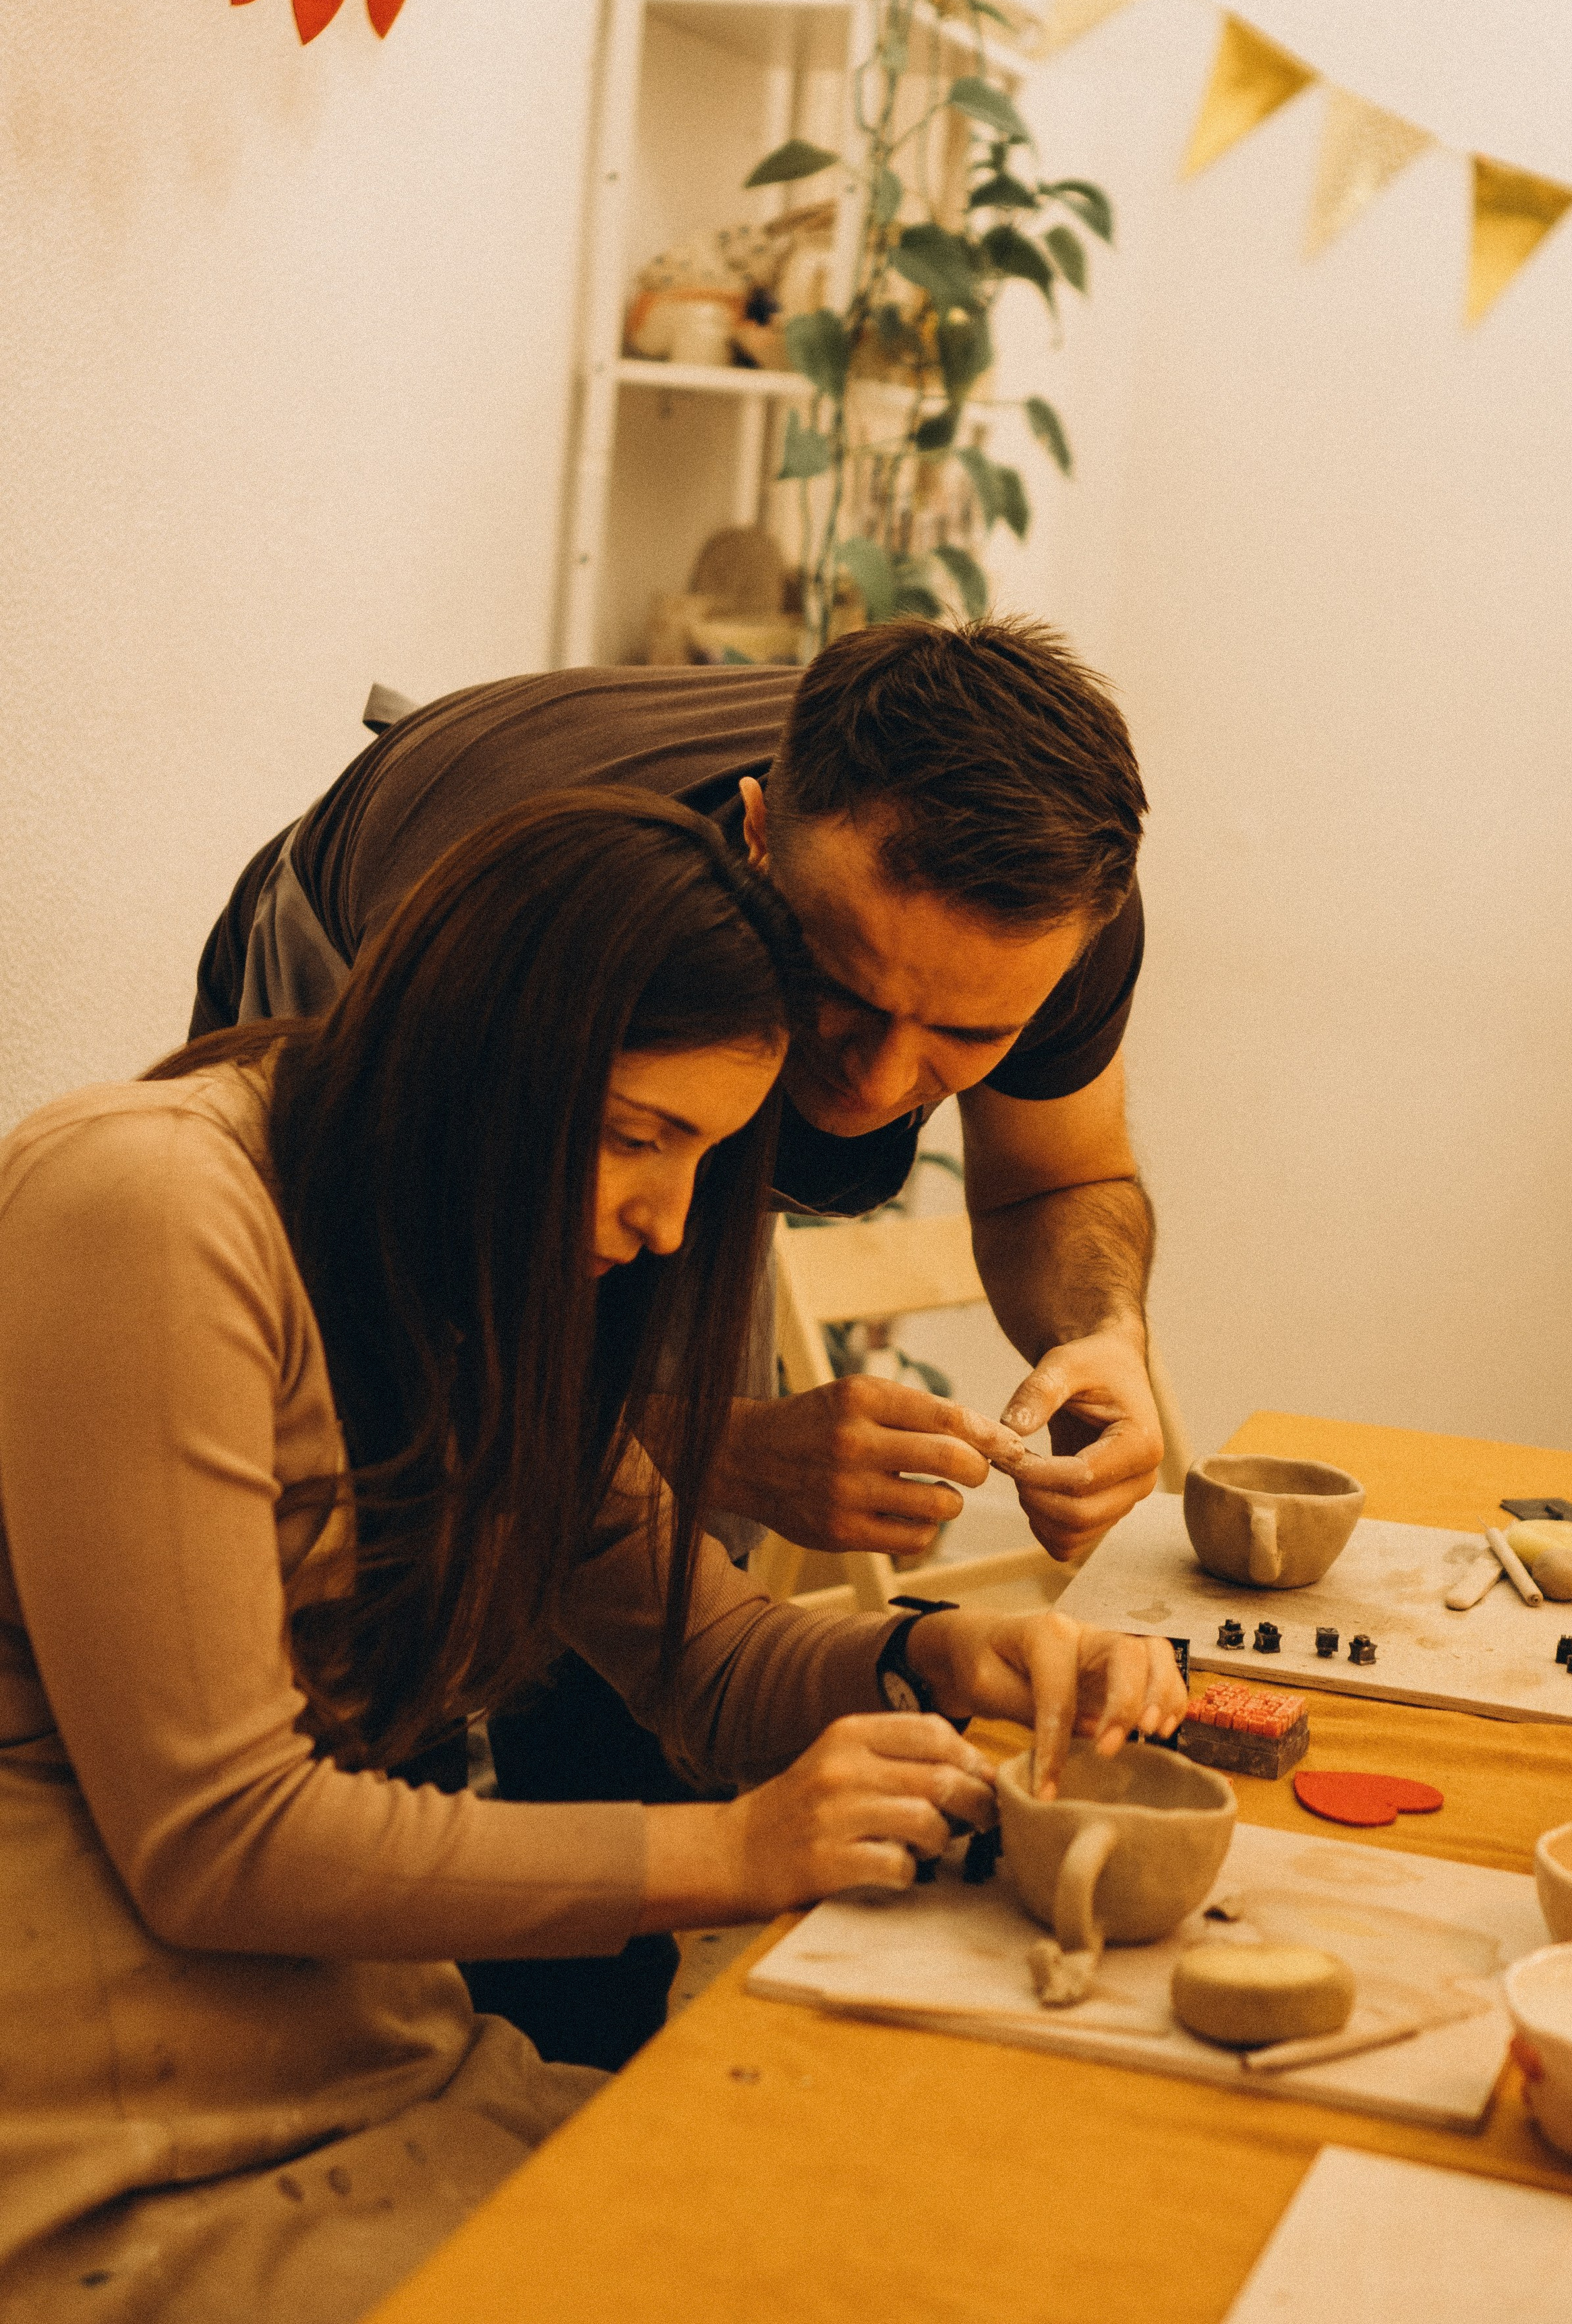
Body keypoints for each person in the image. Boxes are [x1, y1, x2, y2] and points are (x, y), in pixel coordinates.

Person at [0, 791, 1187, 2324]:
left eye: (705, 1157)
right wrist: (734, 1854)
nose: (664, 1217)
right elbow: (220, 1837)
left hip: (372, 2064)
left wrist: (938, 1659)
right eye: (642, 1138)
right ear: (478, 1070)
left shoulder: (464, 1259)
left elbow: (713, 1661)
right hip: (97, 2140)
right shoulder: (150, 1203)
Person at [192, 616, 1163, 2062]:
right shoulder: (499, 925)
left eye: (961, 1039)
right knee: (383, 1622)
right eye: (840, 991)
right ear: (755, 838)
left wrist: (1104, 1344)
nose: (884, 1083)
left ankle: (570, 2060)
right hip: (372, 991)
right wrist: (707, 1439)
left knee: (628, 1638)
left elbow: (1063, 1181)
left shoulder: (1041, 916)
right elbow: (397, 1371)